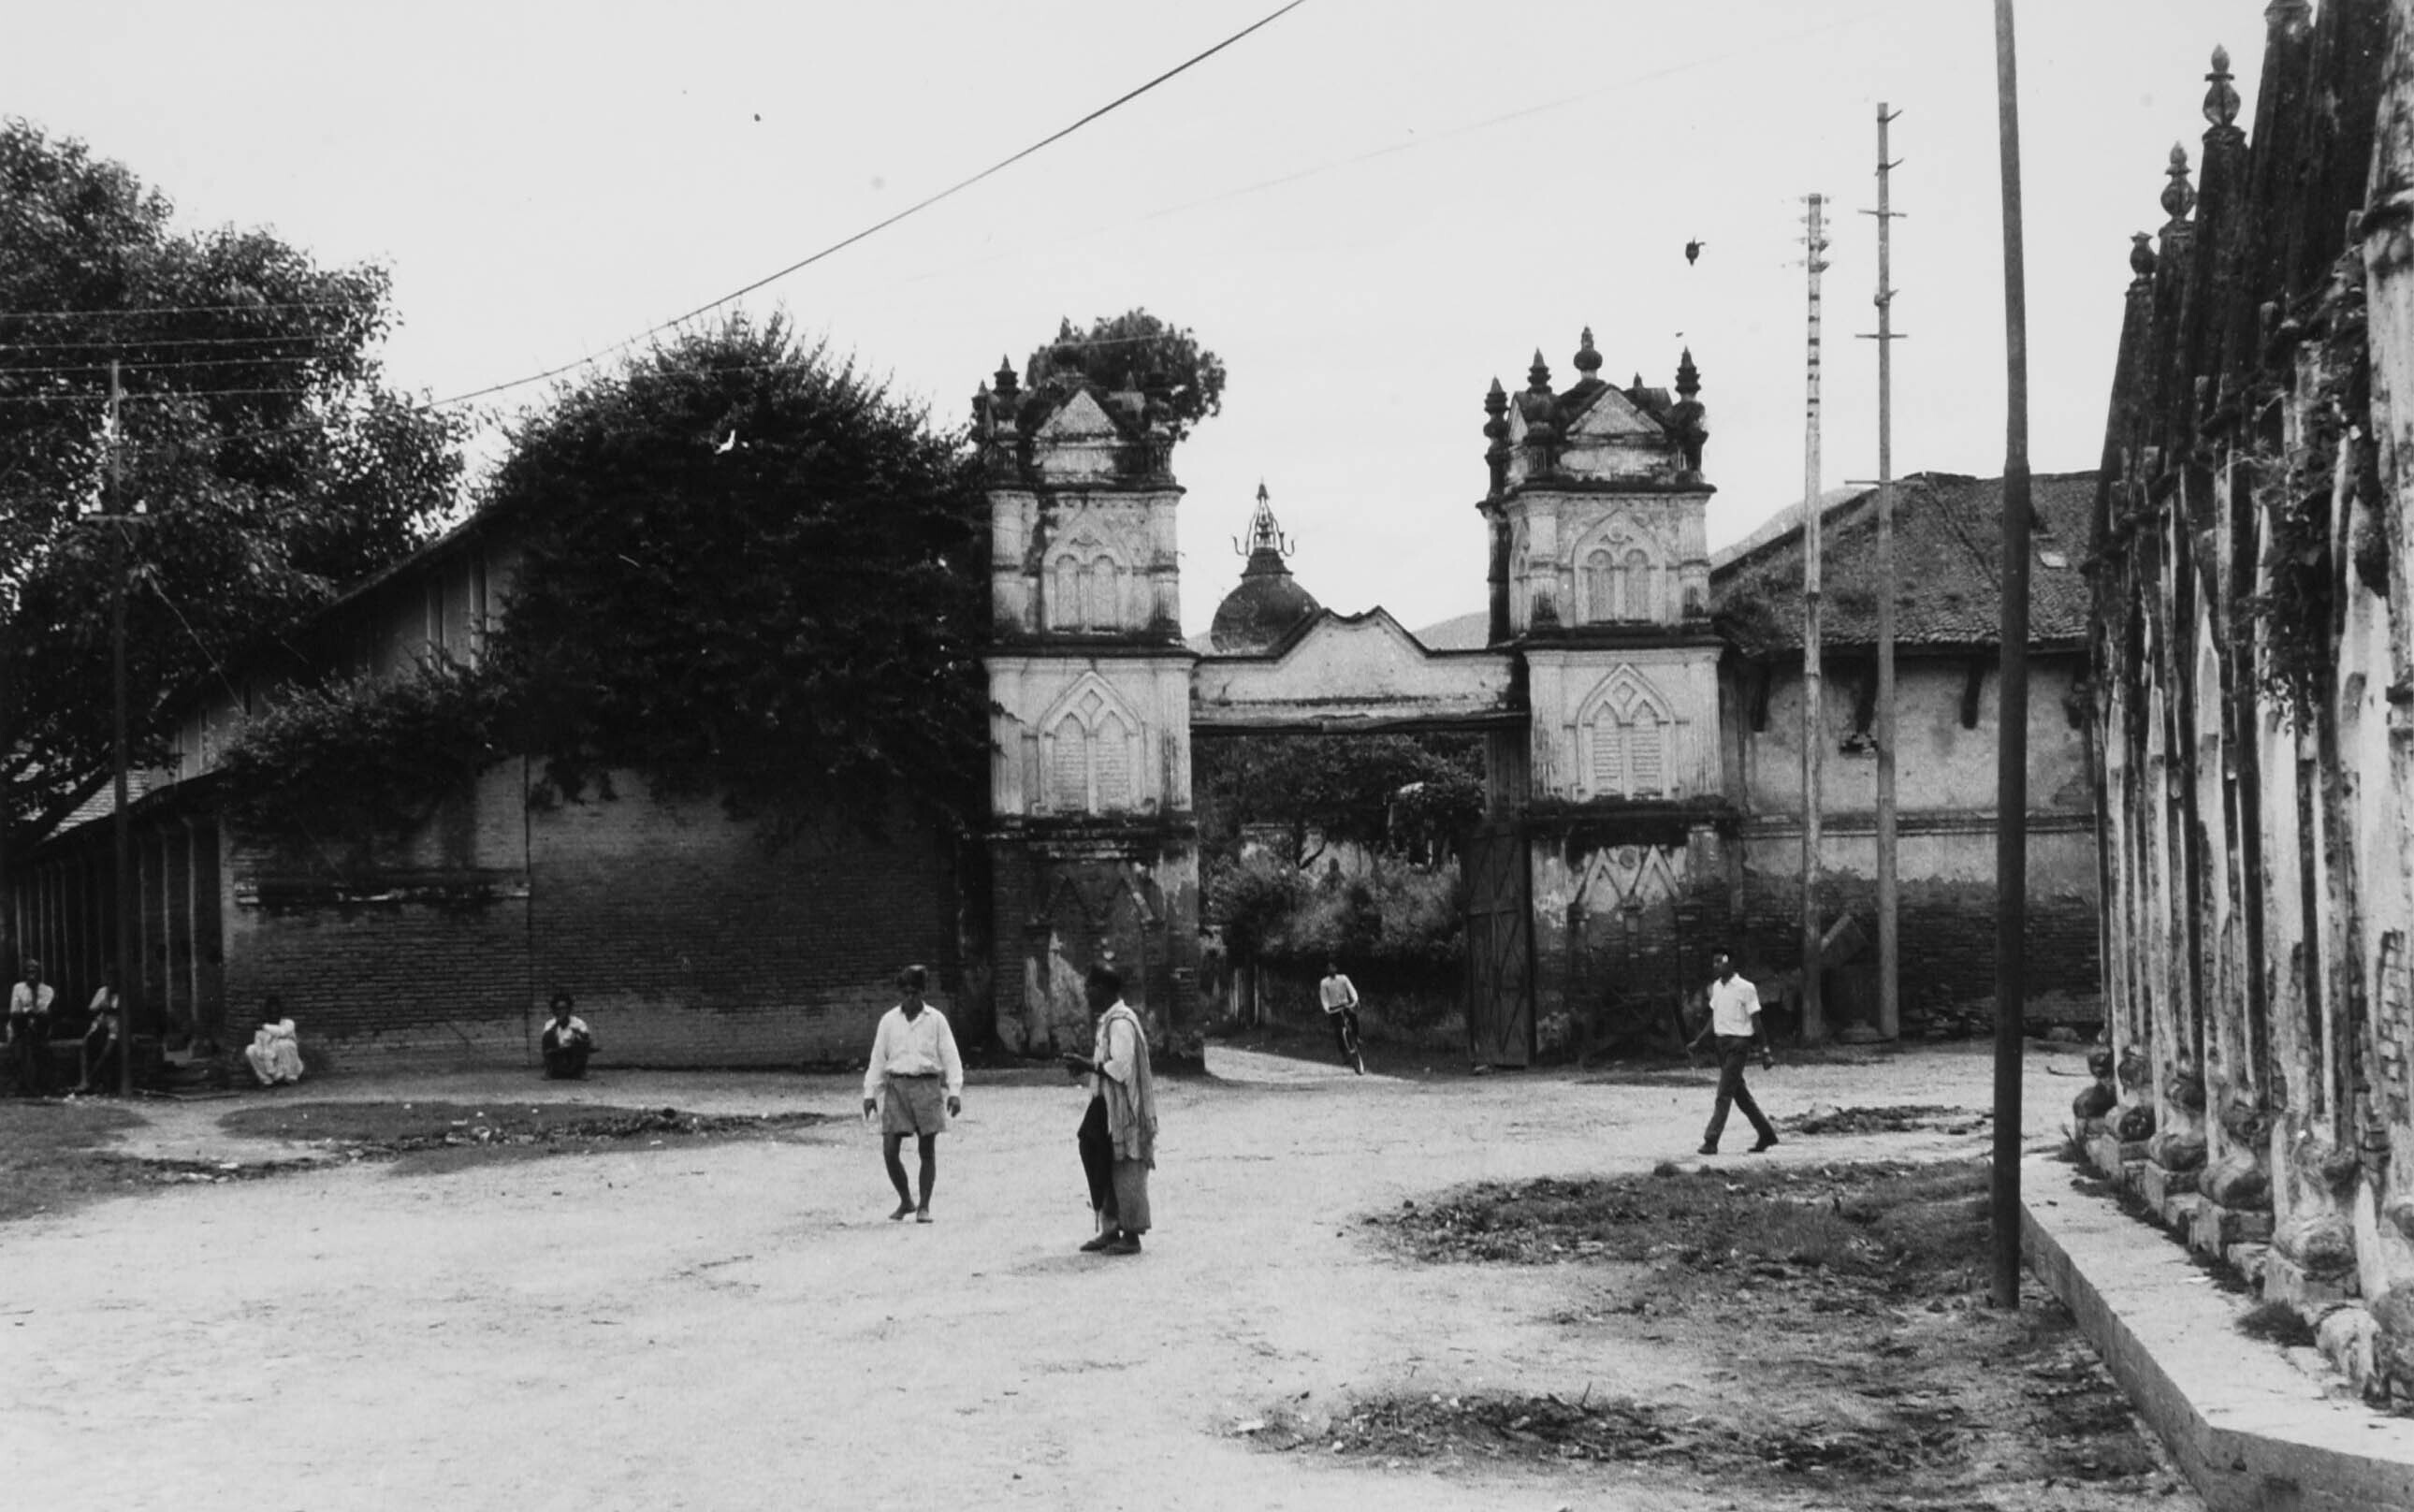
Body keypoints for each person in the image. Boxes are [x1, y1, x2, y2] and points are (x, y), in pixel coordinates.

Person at [1062, 965, 1157, 1256]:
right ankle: (1110, 1227)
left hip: (1125, 1108)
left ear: (1103, 989)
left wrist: (1086, 1064)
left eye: (1089, 987)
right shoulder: (1108, 1021)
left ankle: (1131, 1234)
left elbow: (1120, 1067)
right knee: (1099, 1156)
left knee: (1127, 1166)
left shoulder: (1121, 1023)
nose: (1086, 993)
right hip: (1106, 1104)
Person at [860, 965, 963, 1224]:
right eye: (905, 993)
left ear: (922, 992)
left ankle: (924, 1206)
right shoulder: (889, 1021)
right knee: (889, 1150)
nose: (910, 998)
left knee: (926, 1150)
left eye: (914, 993)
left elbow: (950, 1056)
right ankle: (906, 1199)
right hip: (897, 1087)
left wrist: (954, 1091)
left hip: (927, 1086)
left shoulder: (936, 1020)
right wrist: (870, 1093)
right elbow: (877, 1058)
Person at [1687, 949, 1779, 1156]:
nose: (1716, 965)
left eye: (1721, 961)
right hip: (1721, 1045)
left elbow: (1756, 1021)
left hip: (1739, 1045)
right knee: (1740, 1095)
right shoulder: (1717, 988)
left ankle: (1711, 1140)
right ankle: (1766, 1134)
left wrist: (1765, 1050)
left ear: (1731, 963)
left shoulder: (1746, 988)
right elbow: (1715, 1018)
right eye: (1714, 962)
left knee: (1724, 1093)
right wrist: (1699, 1041)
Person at [7, 957, 56, 1097]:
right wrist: (30, 1014)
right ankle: (29, 1086)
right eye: (28, 972)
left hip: (39, 1028)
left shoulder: (47, 990)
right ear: (24, 974)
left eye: (34, 972)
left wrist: (32, 1013)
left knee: (38, 1047)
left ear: (40, 974)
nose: (31, 976)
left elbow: (45, 1013)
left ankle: (34, 1085)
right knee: (22, 1046)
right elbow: (14, 1012)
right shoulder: (18, 988)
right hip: (21, 1027)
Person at [79, 969, 124, 1094]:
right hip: (100, 1024)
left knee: (107, 1050)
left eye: (113, 977)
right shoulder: (102, 991)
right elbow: (91, 1010)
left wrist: (112, 1009)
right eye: (109, 977)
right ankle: (84, 1080)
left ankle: (91, 1079)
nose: (111, 980)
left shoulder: (123, 993)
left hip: (116, 1026)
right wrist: (100, 1007)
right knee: (85, 1044)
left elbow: (125, 1012)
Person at [244, 996, 304, 1087]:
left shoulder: (288, 1023)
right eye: (271, 1013)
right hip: (271, 1063)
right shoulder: (261, 1031)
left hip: (288, 1063)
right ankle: (267, 1080)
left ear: (280, 1013)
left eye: (276, 1013)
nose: (274, 1016)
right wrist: (266, 1054)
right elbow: (259, 1050)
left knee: (285, 1044)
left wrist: (264, 1027)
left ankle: (291, 1078)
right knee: (250, 1049)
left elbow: (281, 1032)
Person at [1318, 960, 1364, 1074]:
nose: (1331, 970)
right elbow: (1324, 997)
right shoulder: (1324, 983)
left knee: (1353, 1017)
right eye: (1329, 968)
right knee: (1338, 1031)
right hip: (1334, 1009)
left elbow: (1351, 989)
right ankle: (1344, 1054)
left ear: (1336, 968)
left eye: (1333, 967)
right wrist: (1327, 1008)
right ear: (1327, 970)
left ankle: (1356, 1037)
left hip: (1345, 1004)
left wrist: (1355, 1000)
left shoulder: (1343, 978)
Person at [539, 993, 596, 1080]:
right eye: (558, 1009)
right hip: (557, 1054)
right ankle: (549, 1071)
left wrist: (580, 1034)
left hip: (572, 1054)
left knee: (583, 1042)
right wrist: (557, 1024)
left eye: (564, 1008)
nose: (562, 1011)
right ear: (555, 1011)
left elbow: (586, 1039)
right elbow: (546, 1041)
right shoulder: (550, 1024)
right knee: (546, 1039)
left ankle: (581, 1072)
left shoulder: (578, 1023)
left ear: (569, 1009)